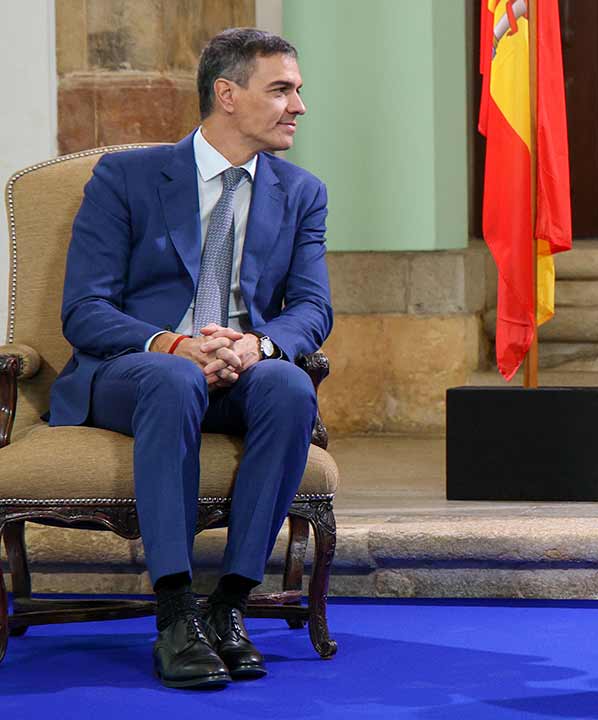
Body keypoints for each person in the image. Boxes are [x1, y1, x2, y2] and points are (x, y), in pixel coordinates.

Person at [51, 27, 332, 689]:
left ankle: (229, 607)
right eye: (282, 89)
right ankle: (175, 611)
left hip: (238, 371)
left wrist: (255, 344)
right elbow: (84, 310)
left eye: (298, 90)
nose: (299, 106)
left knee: (290, 388)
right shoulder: (126, 178)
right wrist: (172, 343)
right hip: (137, 370)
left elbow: (313, 308)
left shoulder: (301, 192)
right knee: (176, 379)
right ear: (227, 95)